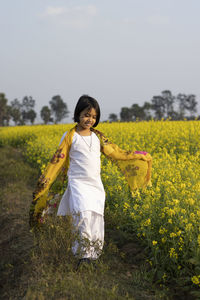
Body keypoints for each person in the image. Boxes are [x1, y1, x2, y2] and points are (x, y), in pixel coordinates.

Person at [30, 95, 152, 266]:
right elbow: (57, 160)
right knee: (82, 215)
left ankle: (93, 256)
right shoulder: (69, 136)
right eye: (87, 115)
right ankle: (82, 255)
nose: (90, 119)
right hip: (78, 183)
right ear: (78, 114)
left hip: (95, 185)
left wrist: (139, 156)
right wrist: (45, 182)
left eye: (94, 117)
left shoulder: (98, 137)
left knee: (96, 218)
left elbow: (117, 153)